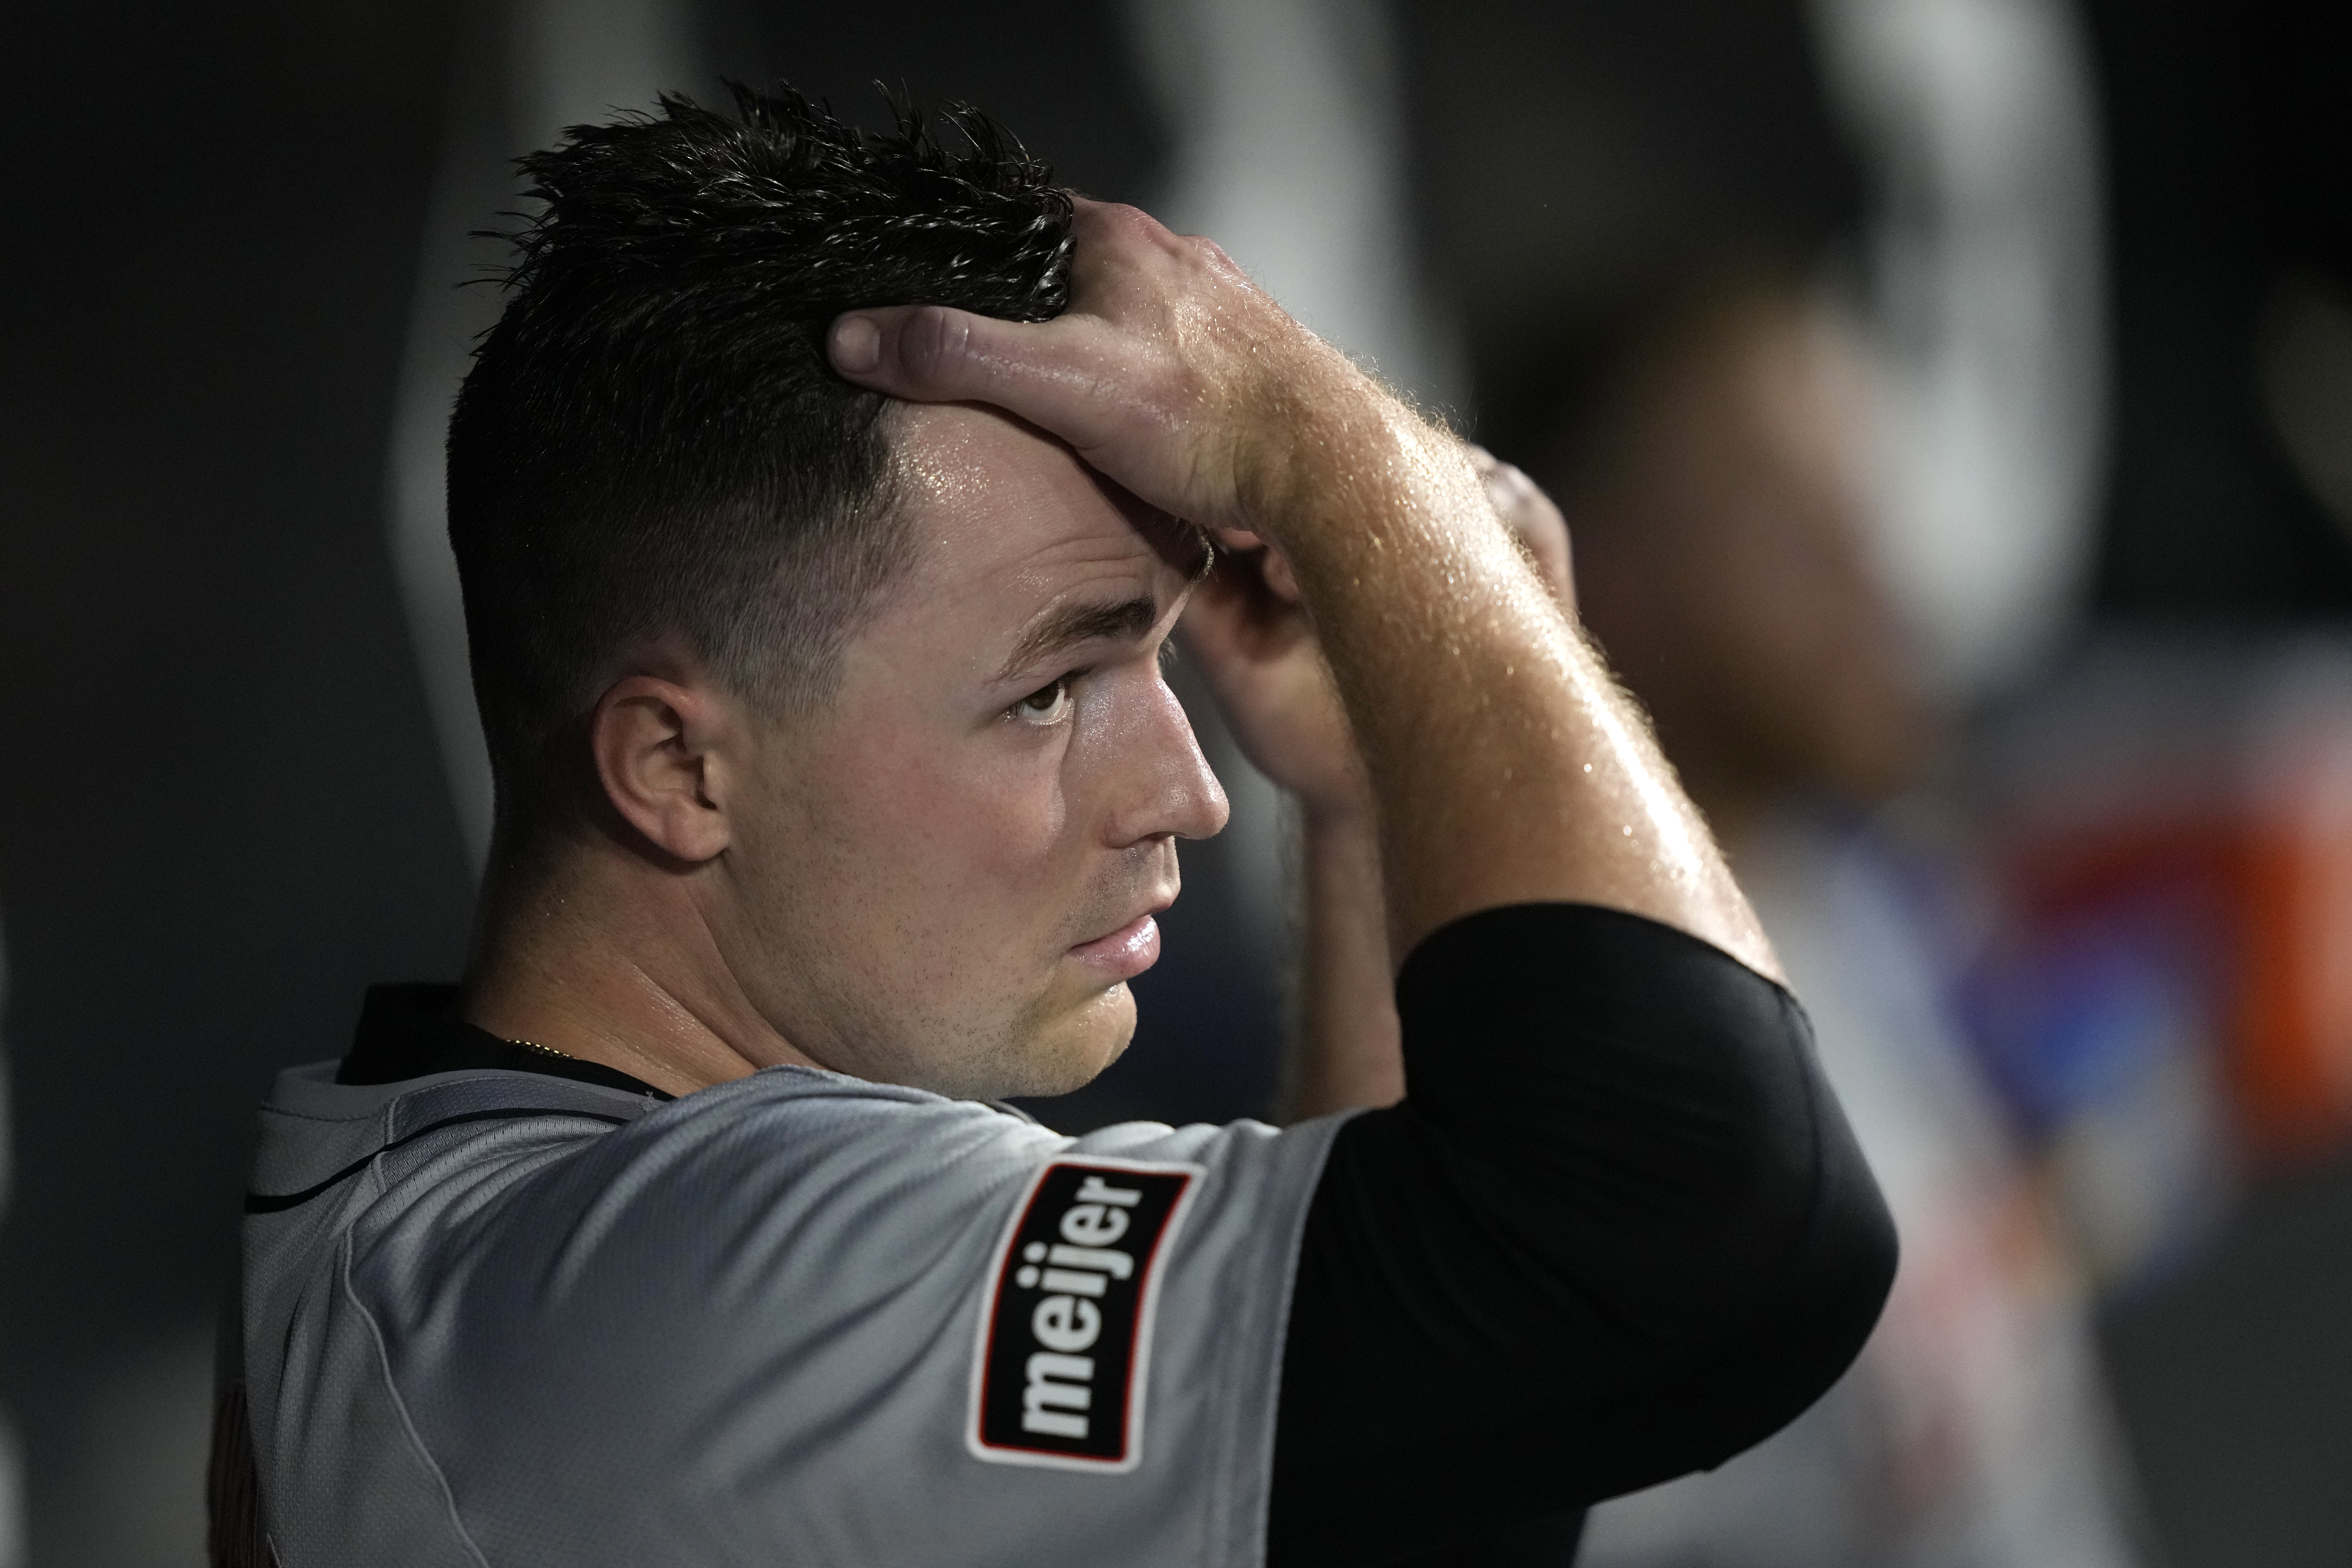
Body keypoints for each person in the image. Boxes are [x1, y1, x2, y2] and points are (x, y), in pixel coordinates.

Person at [213, 88, 1895, 1567]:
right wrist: (1352, 465)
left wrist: (1376, 792)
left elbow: (1436, 1477)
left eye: (1157, 654)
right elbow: (1724, 1219)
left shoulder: (493, 1236)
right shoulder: (678, 1286)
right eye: (1048, 689)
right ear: (673, 767)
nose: (1188, 788)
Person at [1362, 276, 2141, 1568]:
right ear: (1587, 572)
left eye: (1856, 503)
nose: (1866, 567)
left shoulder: (1860, 901)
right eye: (1784, 521)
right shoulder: (1540, 1067)